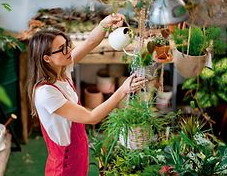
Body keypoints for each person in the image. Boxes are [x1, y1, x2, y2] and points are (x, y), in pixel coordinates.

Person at [27, 13, 146, 175]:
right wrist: (123, 90)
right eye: (62, 49)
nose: (69, 50)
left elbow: (90, 42)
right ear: (47, 59)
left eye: (67, 44)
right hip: (65, 164)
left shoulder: (62, 69)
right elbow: (92, 117)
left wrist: (105, 23)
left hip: (78, 153)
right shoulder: (46, 93)